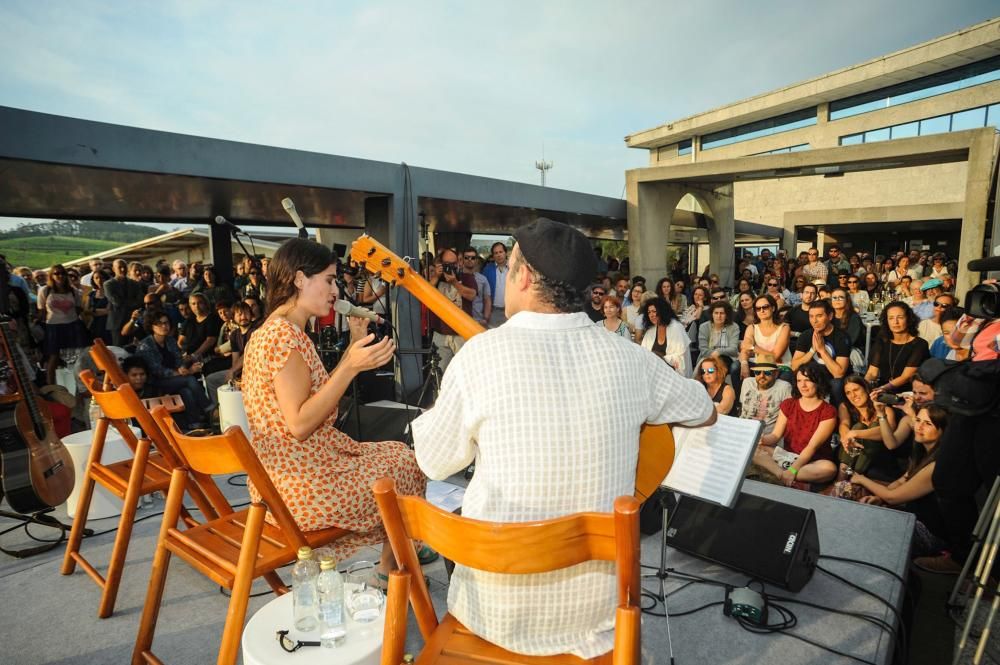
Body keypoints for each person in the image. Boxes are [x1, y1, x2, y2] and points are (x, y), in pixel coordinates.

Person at [411, 218, 715, 658]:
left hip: (494, 616)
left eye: (509, 265)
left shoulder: (480, 355)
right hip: (598, 619)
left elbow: (434, 463)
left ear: (526, 277)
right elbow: (702, 410)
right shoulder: (630, 358)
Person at [241, 238, 427, 569]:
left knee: (399, 454)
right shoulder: (283, 337)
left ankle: (402, 550)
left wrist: (352, 348)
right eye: (328, 280)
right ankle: (395, 561)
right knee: (405, 465)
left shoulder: (276, 331)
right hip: (300, 487)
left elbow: (315, 400)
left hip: (286, 477)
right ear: (299, 279)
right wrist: (351, 366)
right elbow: (299, 424)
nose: (335, 291)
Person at [849, 405, 948, 557]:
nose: (919, 426)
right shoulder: (922, 452)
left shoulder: (937, 464)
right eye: (918, 420)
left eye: (928, 423)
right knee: (857, 508)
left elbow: (893, 497)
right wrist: (879, 499)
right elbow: (902, 481)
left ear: (943, 431)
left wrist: (862, 479)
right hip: (911, 515)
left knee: (864, 527)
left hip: (927, 532)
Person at [754, 364, 838, 488]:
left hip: (813, 461)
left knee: (830, 469)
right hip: (787, 457)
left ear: (818, 382)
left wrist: (793, 470)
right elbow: (776, 435)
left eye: (808, 380)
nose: (802, 385)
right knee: (753, 450)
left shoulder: (828, 411)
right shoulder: (788, 404)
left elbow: (812, 447)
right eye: (799, 381)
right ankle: (782, 475)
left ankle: (779, 474)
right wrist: (762, 439)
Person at [135, 312, 212, 429]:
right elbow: (156, 370)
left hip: (175, 379)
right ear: (151, 326)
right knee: (190, 379)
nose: (164, 326)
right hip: (155, 382)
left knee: (186, 391)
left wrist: (182, 368)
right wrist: (185, 372)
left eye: (166, 323)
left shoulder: (170, 340)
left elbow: (178, 360)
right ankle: (209, 409)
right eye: (159, 324)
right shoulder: (145, 345)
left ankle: (194, 424)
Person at [836, 375, 896, 481]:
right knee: (858, 426)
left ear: (866, 388)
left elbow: (889, 431)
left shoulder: (883, 409)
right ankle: (840, 480)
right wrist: (847, 437)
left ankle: (852, 479)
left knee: (865, 427)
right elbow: (843, 424)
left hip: (877, 456)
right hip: (850, 455)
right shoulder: (845, 406)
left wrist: (855, 433)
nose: (853, 395)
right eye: (848, 393)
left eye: (856, 390)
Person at [37, 264, 89, 385]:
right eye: (56, 273)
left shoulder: (73, 291)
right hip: (53, 326)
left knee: (78, 357)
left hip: (72, 325)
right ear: (51, 276)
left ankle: (80, 384)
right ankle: (51, 386)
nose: (59, 276)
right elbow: (41, 310)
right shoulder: (45, 290)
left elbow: (78, 308)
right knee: (53, 357)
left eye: (62, 273)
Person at [791, 299, 850, 404]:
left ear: (830, 316)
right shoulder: (805, 335)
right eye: (811, 316)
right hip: (810, 377)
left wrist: (822, 351)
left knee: (837, 384)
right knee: (788, 376)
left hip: (830, 379)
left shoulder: (842, 337)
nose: (814, 321)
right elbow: (794, 366)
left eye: (819, 316)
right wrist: (812, 351)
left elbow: (838, 374)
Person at [428, 248, 477, 371]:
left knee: (465, 371)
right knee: (439, 372)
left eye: (453, 263)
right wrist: (435, 276)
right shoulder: (436, 279)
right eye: (447, 264)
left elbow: (471, 295)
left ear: (458, 263)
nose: (451, 267)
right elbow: (425, 294)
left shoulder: (467, 277)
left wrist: (455, 282)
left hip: (462, 334)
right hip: (441, 334)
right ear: (441, 264)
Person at [864, 302, 929, 394]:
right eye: (891, 318)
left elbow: (906, 377)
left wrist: (883, 389)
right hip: (882, 389)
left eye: (900, 317)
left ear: (909, 319)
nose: (895, 322)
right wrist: (864, 386)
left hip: (907, 392)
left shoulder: (920, 344)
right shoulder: (882, 341)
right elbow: (872, 373)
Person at [739, 294, 791, 380]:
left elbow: (775, 356)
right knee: (736, 366)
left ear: (773, 308)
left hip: (780, 366)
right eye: (758, 308)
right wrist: (744, 364)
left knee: (785, 376)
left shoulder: (784, 328)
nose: (762, 310)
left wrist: (753, 348)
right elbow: (745, 348)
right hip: (759, 364)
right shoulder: (752, 327)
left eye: (765, 307)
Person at [739, 353, 792, 435]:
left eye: (767, 372)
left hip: (766, 436)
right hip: (742, 431)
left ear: (776, 373)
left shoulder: (784, 387)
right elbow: (743, 409)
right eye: (757, 372)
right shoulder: (747, 382)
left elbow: (788, 418)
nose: (762, 376)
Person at [640, 296, 691, 376]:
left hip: (673, 375)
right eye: (649, 312)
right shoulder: (650, 331)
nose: (651, 315)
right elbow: (643, 354)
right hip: (653, 373)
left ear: (662, 311)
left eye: (654, 311)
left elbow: (681, 358)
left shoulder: (676, 327)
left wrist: (661, 359)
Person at [105, 258, 144, 346]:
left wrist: (125, 302)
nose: (123, 269)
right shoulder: (108, 284)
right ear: (113, 269)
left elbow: (140, 301)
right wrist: (132, 302)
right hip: (117, 323)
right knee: (119, 350)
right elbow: (116, 302)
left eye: (124, 267)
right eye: (120, 267)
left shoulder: (134, 283)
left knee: (137, 347)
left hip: (133, 321)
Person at [481, 242, 509, 327]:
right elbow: (483, 291)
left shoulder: (514, 268)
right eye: (496, 253)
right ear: (493, 256)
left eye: (501, 252)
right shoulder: (487, 269)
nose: (498, 255)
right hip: (493, 311)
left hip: (509, 311)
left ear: (505, 253)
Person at [86, 269, 111, 343]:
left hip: (107, 325)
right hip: (94, 325)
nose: (99, 280)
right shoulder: (91, 294)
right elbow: (86, 311)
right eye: (96, 278)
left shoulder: (110, 293)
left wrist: (93, 310)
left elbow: (109, 311)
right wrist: (102, 311)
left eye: (101, 277)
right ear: (93, 280)